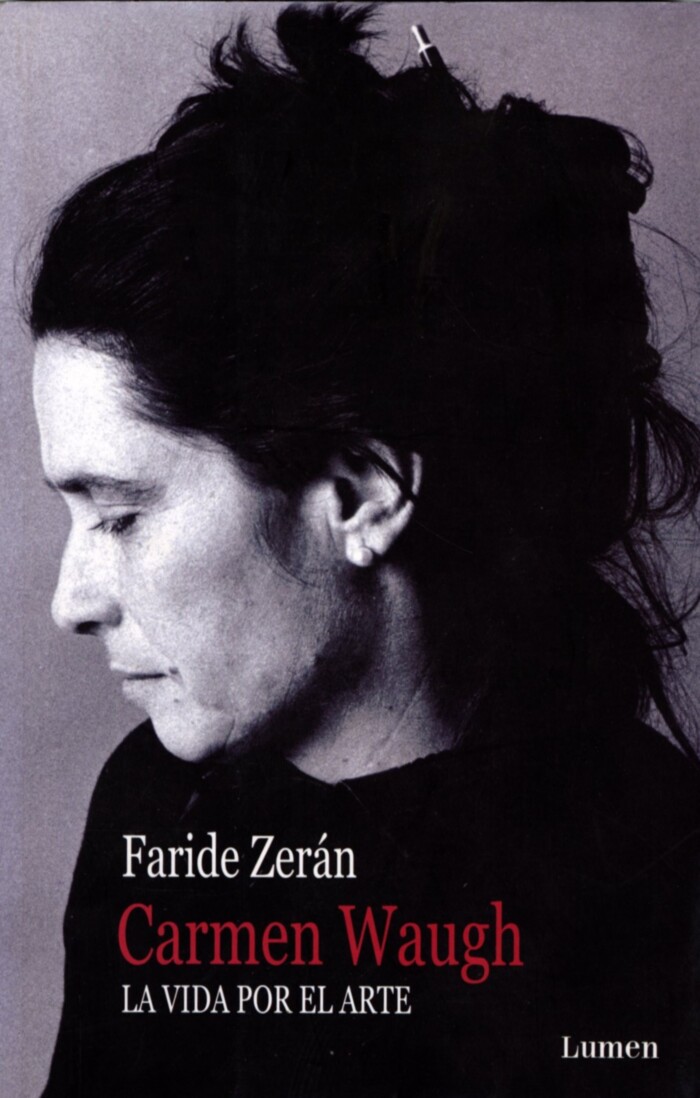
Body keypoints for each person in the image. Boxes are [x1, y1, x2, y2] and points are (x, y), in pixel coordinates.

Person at [29, 5, 700, 1096]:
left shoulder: (657, 894)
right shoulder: (160, 814)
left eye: (121, 515)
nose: (71, 602)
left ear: (362, 495)